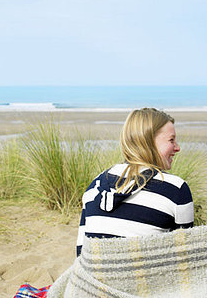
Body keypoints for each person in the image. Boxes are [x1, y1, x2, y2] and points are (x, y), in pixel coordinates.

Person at [76, 107, 194, 256]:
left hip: (95, 277)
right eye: (171, 140)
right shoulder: (176, 189)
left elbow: (81, 253)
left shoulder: (95, 186)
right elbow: (184, 256)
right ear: (148, 142)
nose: (177, 148)